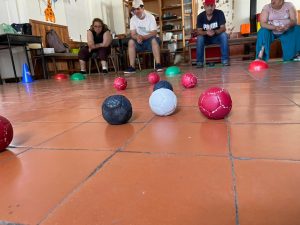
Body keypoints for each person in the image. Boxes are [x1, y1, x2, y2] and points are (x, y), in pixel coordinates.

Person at [124, 0, 163, 74]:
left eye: (138, 9)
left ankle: (158, 64)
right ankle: (132, 67)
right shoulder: (133, 19)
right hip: (140, 41)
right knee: (131, 42)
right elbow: (133, 34)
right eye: (134, 9)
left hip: (150, 40)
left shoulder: (150, 17)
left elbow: (154, 32)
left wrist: (143, 37)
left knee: (154, 40)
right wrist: (138, 37)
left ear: (142, 8)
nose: (136, 11)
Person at [195, 0, 229, 68]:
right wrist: (206, 32)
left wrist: (215, 32)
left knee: (224, 35)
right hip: (205, 39)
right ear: (204, 6)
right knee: (199, 38)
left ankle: (225, 60)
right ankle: (199, 62)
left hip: (216, 37)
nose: (210, 8)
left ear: (214, 6)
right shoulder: (200, 16)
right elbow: (199, 31)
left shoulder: (219, 13)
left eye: (212, 6)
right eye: (208, 6)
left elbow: (223, 28)